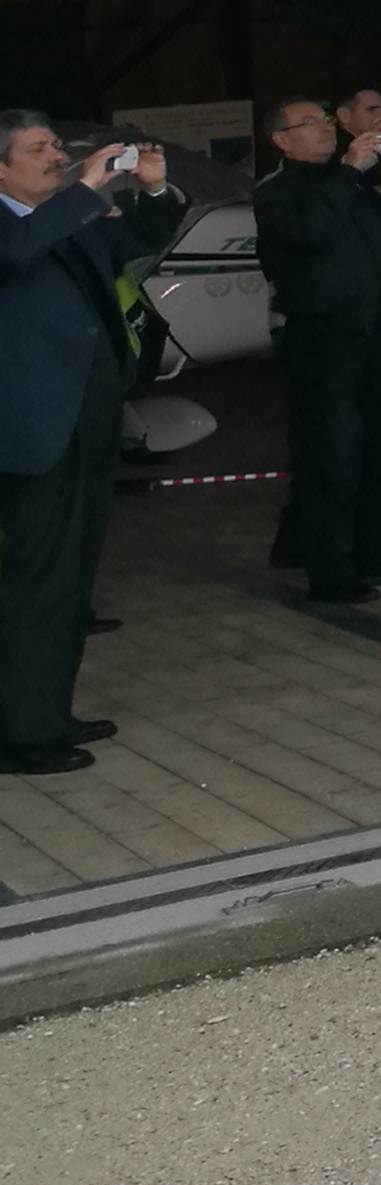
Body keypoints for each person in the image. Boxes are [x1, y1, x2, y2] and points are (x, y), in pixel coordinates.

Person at [0, 116, 185, 775]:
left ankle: (48, 710)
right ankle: (20, 733)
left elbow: (130, 242)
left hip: (85, 420)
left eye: (58, 146)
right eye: (39, 149)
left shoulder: (64, 216)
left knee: (72, 578)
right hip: (29, 430)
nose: (57, 157)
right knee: (35, 580)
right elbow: (16, 252)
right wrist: (83, 188)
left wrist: (156, 193)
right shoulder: (25, 222)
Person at [254, 96, 381, 604]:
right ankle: (329, 569)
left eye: (328, 121)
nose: (327, 130)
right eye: (312, 123)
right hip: (322, 338)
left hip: (373, 332)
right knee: (331, 453)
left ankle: (378, 551)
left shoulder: (354, 188)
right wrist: (349, 171)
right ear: (281, 139)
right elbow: (311, 232)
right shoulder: (278, 192)